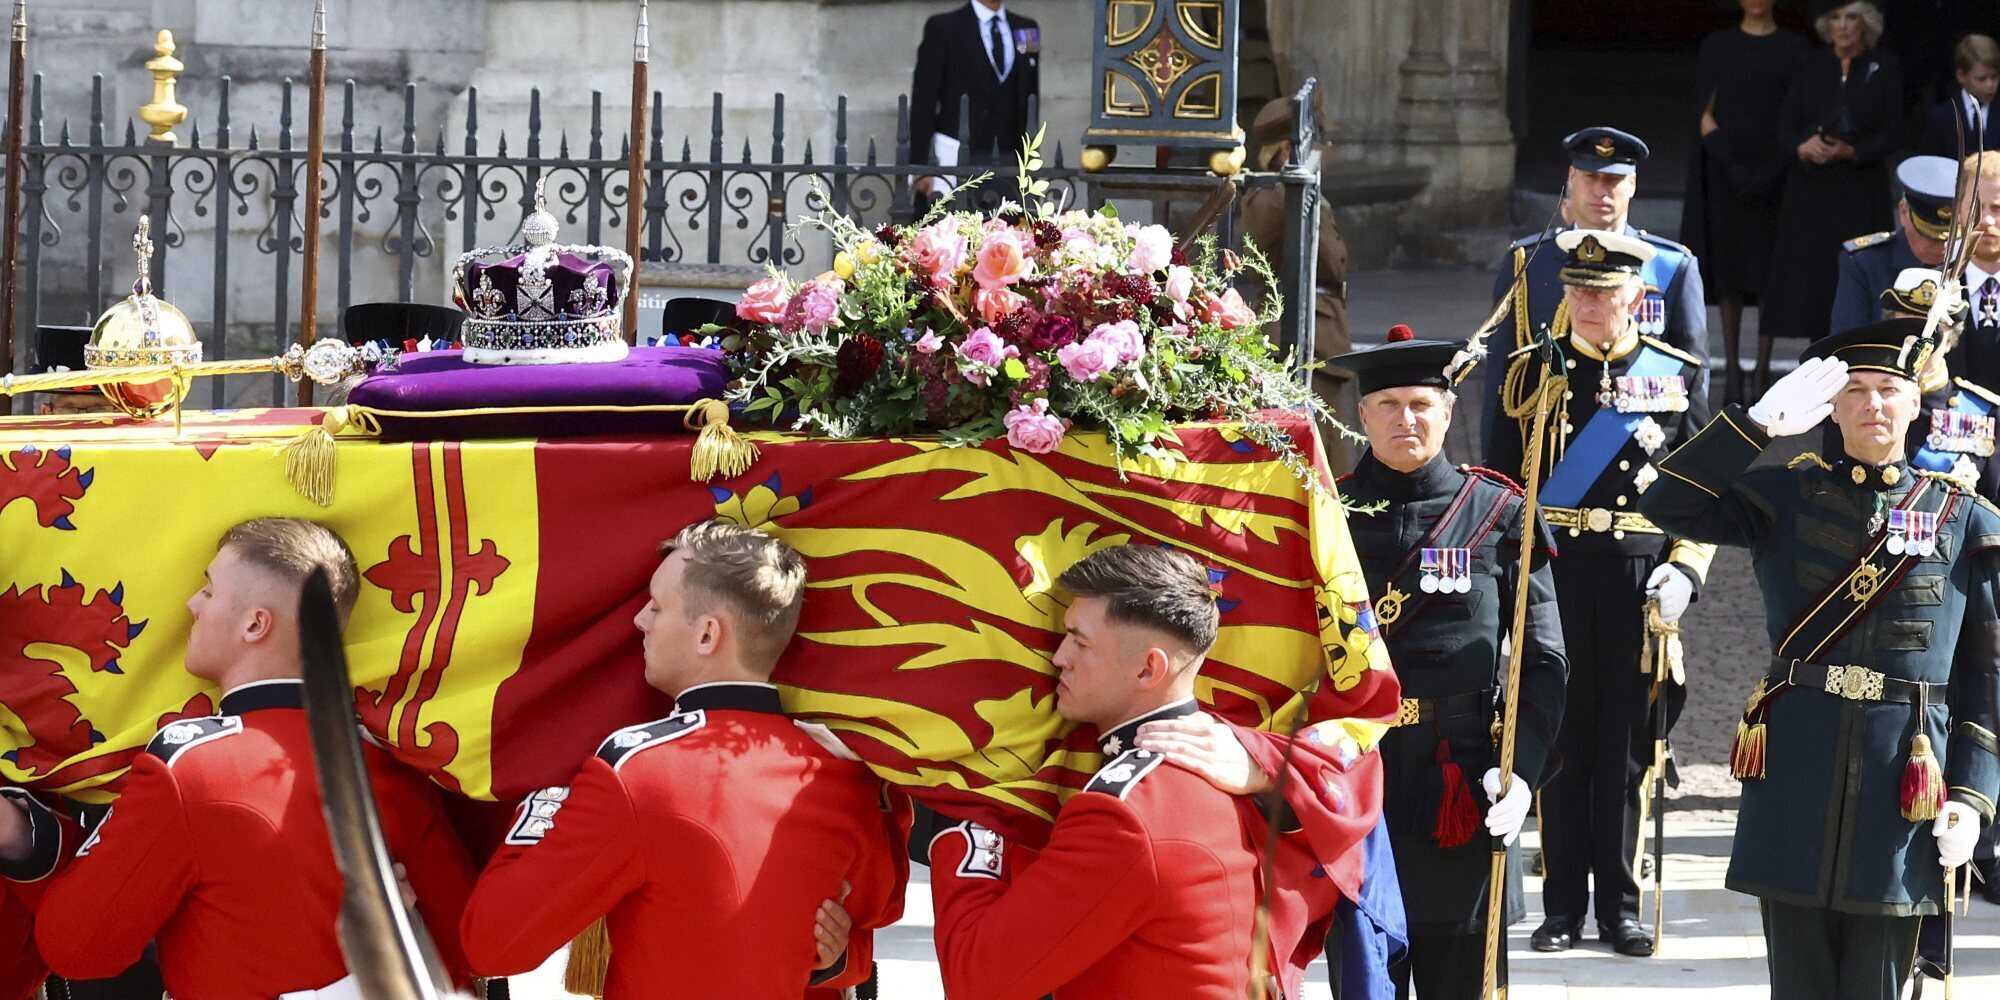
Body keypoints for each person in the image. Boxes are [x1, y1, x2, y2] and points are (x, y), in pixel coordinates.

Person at [1640, 317, 2000, 1000]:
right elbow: (1666, 501)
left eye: (1890, 389)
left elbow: (1987, 676)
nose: (1873, 405)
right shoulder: (1783, 496)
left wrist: (1976, 797)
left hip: (1906, 784)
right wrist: (1753, 427)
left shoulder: (1964, 517)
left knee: (1879, 983)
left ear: (1917, 401)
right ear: (1831, 406)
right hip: (1797, 773)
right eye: (1856, 390)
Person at [15, 518, 480, 998]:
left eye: (209, 591)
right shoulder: (394, 762)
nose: (192, 605)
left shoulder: (191, 767)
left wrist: (23, 834)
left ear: (255, 624)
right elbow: (466, 950)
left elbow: (78, 947)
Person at [459, 519, 909, 998]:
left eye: (656, 606)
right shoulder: (841, 770)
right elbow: (866, 924)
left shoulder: (640, 773)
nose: (640, 621)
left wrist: (539, 796)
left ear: (707, 635)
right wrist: (835, 962)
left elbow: (494, 945)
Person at [927, 544, 1352, 998]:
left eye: (1079, 641)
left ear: (1149, 668)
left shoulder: (1125, 815)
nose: (1059, 657)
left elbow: (979, 979)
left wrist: (972, 818)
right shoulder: (1233, 762)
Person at [1316, 326, 1568, 998]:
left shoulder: (1498, 512)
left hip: (1461, 779)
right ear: (1362, 415)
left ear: (1449, 413)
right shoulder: (1326, 512)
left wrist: (1523, 776)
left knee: (1462, 975)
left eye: (1422, 404)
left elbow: (1544, 659)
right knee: (1366, 969)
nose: (1407, 419)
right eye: (1390, 405)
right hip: (1358, 777)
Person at [1485, 229, 1716, 959]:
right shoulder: (1533, 372)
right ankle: (1561, 907)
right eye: (1577, 290)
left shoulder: (1672, 373)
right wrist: (1503, 590)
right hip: (1552, 572)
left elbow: (1703, 485)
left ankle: (1619, 906)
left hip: (1636, 578)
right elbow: (1500, 484)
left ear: (1637, 297)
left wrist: (1687, 566)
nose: (1588, 303)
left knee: (1624, 746)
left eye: (1604, 290)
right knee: (1560, 738)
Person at [1478, 127, 1707, 444]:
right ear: (1571, 177)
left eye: (1613, 180)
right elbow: (1501, 377)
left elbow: (1693, 376)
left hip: (1636, 449)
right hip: (1548, 446)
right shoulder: (1527, 262)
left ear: (1633, 184)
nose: (1601, 191)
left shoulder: (1671, 267)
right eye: (1590, 177)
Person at [1760, 1, 1902, 371]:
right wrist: (1801, 145)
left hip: (1859, 189)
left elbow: (1894, 130)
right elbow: (1784, 124)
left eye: (1851, 17)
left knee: (1859, 270)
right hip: (1811, 191)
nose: (1843, 27)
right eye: (1836, 18)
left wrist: (1852, 150)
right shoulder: (1810, 64)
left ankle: (1860, 360)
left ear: (1865, 22)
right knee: (1815, 278)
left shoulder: (1884, 66)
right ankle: (1818, 363)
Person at [1682, 0, 1809, 405]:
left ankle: (1763, 370)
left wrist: (1773, 168)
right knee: (1729, 270)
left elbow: (1800, 115)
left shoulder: (1795, 48)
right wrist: (1732, 166)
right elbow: (1704, 111)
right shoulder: (1718, 45)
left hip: (1779, 174)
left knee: (1771, 270)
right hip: (1727, 175)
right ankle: (1734, 371)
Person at [1241, 95, 1354, 472]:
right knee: (1316, 463)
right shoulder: (1275, 194)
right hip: (1295, 335)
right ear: (1292, 147)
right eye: (1322, 137)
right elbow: (1257, 238)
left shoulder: (1307, 193)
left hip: (1322, 332)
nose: (1330, 147)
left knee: (1329, 454)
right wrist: (1293, 173)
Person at [909, 0, 1041, 202]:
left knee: (1006, 229)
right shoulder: (944, 27)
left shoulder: (1026, 28)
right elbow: (923, 100)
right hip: (957, 153)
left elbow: (1031, 97)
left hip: (1008, 155)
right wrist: (919, 164)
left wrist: (1029, 160)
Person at [1828, 155, 1955, 334]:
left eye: (1950, 237)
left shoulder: (1975, 262)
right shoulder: (1865, 262)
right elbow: (1847, 342)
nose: (1943, 246)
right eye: (1931, 237)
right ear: (1903, 213)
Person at [1951, 151, 2000, 390]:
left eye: (1998, 208)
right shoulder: (1931, 288)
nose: (1987, 221)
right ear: (1958, 209)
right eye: (1976, 208)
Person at [1917, 34, 2000, 159]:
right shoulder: (1941, 117)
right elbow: (1928, 166)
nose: (1990, 85)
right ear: (1961, 75)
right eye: (1981, 79)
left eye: (1994, 77)